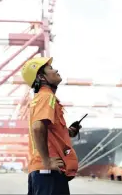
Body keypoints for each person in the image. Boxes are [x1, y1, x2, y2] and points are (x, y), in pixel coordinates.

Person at [21, 57, 83, 195]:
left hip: (42, 173)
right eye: (50, 69)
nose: (55, 70)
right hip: (48, 172)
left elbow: (49, 131)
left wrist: (69, 132)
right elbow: (37, 128)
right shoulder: (46, 97)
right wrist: (47, 161)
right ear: (41, 77)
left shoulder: (41, 99)